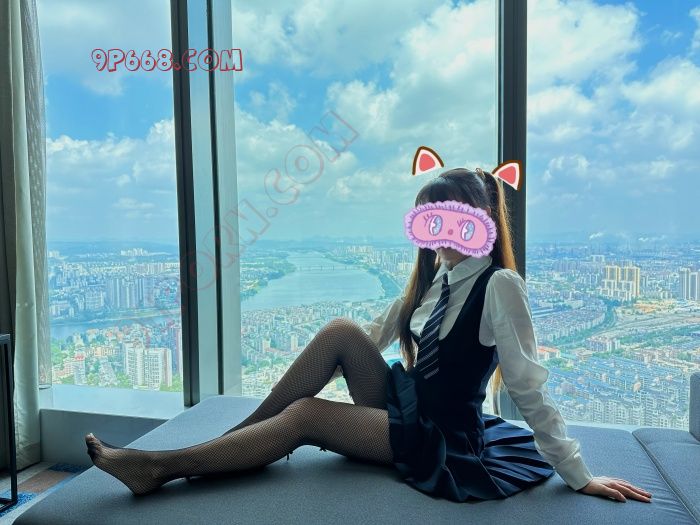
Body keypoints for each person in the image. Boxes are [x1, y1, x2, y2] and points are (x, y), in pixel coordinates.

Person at [85, 167, 652, 504]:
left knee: (307, 415)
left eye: (450, 221)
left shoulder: (499, 286)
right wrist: (342, 353)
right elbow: (370, 337)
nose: (437, 236)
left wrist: (578, 475)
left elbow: (528, 387)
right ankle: (236, 443)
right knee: (340, 330)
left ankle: (159, 467)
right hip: (407, 406)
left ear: (479, 221)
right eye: (429, 223)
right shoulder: (437, 279)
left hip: (440, 438)